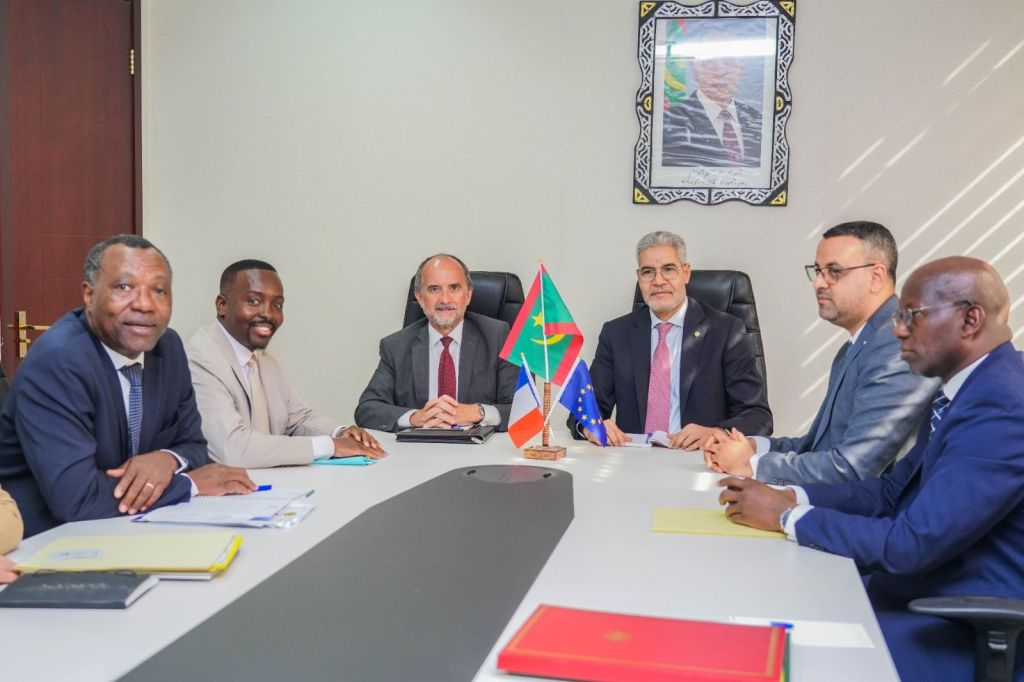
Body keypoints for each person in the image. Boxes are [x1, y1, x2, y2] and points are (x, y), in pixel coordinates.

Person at [718, 256, 1024, 681]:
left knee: (774, 654)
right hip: (920, 592)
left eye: (911, 316)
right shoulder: (966, 389)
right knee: (754, 607)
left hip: (955, 623)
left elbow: (912, 544)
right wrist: (793, 495)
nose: (898, 330)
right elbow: (891, 491)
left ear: (970, 319)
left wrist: (787, 516)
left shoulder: (1001, 405)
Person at [0, 235, 256, 538]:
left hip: (127, 526)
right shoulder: (58, 361)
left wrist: (166, 459)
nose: (144, 304)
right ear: (89, 295)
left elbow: (194, 446)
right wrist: (191, 484)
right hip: (45, 539)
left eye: (158, 290)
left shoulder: (168, 347)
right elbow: (76, 499)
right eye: (124, 287)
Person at [704, 222, 937, 484]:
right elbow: (817, 447)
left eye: (834, 271)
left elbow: (852, 468)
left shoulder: (897, 346)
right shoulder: (857, 346)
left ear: (876, 276)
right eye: (818, 271)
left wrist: (750, 464)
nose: (818, 283)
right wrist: (752, 446)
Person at [574, 231, 771, 449]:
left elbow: (757, 415)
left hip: (698, 458)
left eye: (668, 269)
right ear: (639, 277)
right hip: (633, 457)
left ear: (685, 273)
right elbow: (584, 409)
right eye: (648, 272)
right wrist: (590, 426)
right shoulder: (616, 333)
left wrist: (717, 433)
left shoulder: (726, 331)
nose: (658, 281)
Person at [188, 260, 385, 467]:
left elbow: (297, 419)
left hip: (269, 481)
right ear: (222, 305)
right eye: (253, 301)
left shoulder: (267, 358)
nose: (268, 313)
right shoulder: (200, 359)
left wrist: (340, 433)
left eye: (277, 305)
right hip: (222, 484)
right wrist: (331, 446)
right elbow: (233, 449)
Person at [355, 254, 517, 432]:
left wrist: (479, 412)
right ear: (419, 297)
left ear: (468, 295)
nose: (445, 300)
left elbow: (523, 409)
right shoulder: (396, 346)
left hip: (478, 444)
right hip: (419, 446)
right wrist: (414, 417)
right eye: (434, 289)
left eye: (454, 288)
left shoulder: (497, 337)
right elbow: (367, 409)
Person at [661, 51, 762, 168]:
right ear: (694, 69)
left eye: (729, 61)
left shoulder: (758, 121)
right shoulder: (668, 123)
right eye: (709, 62)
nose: (720, 72)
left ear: (742, 66)